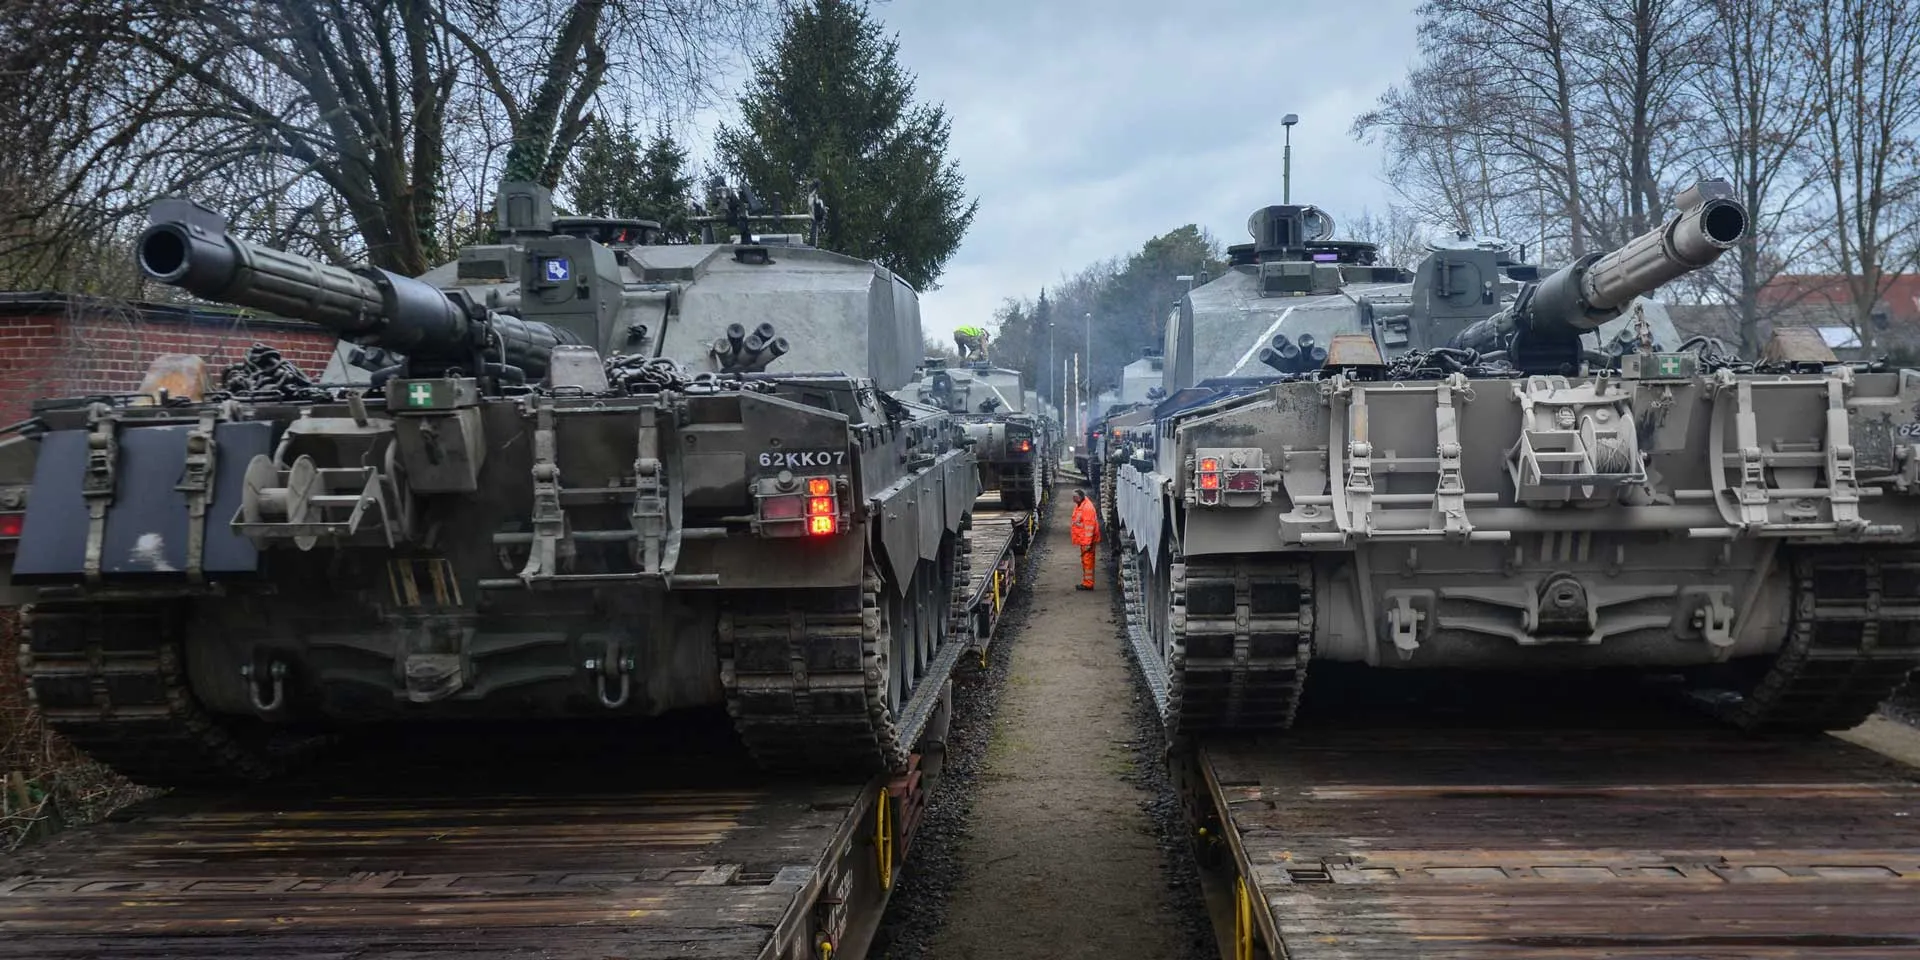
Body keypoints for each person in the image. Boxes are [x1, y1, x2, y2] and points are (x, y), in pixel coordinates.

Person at [1070, 488, 1101, 590]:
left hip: (1087, 541)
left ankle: (1088, 584)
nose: (1073, 498)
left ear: (1080, 497)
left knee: (1087, 561)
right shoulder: (1081, 505)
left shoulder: (1087, 508)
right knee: (1086, 561)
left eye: (1074, 497)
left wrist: (1087, 543)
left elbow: (1089, 527)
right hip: (1084, 539)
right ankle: (1087, 582)